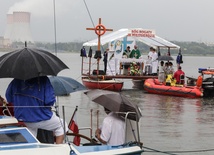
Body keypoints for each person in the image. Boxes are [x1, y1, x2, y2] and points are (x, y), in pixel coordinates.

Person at [5, 76, 68, 144]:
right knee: (62, 125)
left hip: (21, 118)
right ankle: (58, 149)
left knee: (31, 134)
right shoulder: (43, 79)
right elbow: (49, 101)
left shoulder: (16, 80)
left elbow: (9, 98)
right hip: (40, 117)